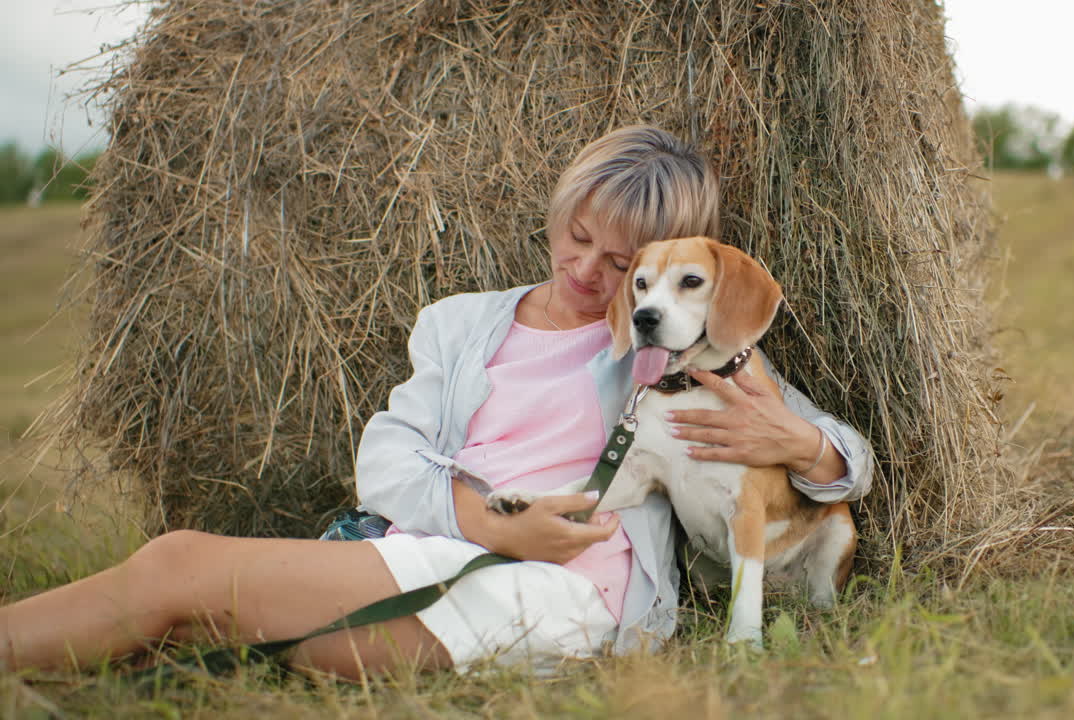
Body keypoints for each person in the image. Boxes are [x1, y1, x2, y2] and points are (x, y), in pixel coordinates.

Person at [0, 126, 874, 679]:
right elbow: (384, 457)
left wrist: (803, 446)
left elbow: (838, 452)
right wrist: (485, 521)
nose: (587, 273)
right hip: (457, 546)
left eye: (621, 265)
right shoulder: (459, 327)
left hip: (577, 591)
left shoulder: (672, 349)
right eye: (578, 238)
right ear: (559, 212)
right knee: (204, 613)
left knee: (178, 570)